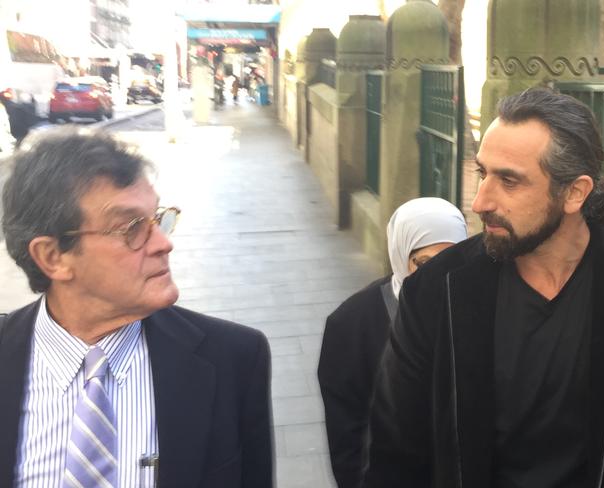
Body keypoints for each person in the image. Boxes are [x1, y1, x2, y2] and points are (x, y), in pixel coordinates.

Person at [363, 88, 604, 488]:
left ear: (575, 193)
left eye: (509, 181)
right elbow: (395, 452)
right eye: (483, 173)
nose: (480, 202)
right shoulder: (436, 290)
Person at [0, 128, 274, 487]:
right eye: (131, 228)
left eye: (157, 219)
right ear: (53, 257)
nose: (163, 244)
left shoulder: (232, 359)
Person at [318, 198, 467, 488]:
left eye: (452, 261)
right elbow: (346, 433)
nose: (439, 275)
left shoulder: (477, 308)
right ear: (401, 255)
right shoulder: (351, 324)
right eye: (425, 263)